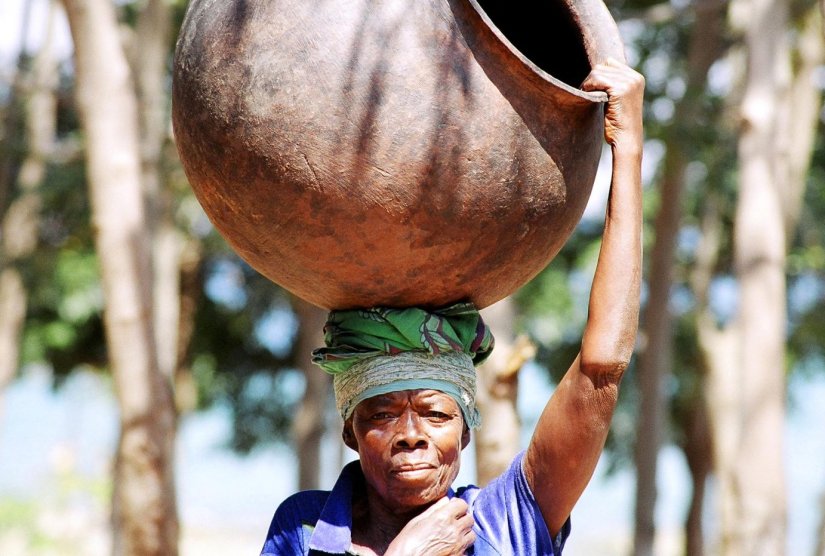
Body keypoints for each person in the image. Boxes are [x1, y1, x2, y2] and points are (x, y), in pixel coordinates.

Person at [261, 59, 644, 556]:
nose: (411, 436)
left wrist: (628, 148)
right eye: (381, 414)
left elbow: (600, 370)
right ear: (350, 434)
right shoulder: (305, 527)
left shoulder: (505, 525)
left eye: (437, 415)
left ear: (465, 433)